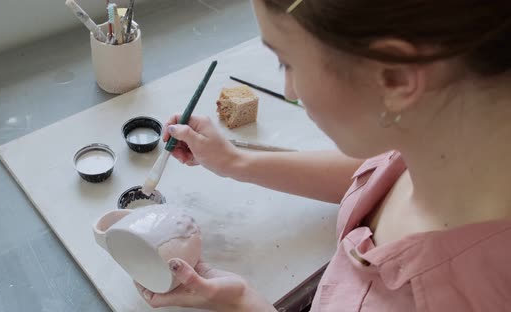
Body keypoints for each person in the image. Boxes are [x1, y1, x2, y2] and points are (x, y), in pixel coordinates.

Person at [135, 0, 511, 310]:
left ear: (395, 78)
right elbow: (374, 172)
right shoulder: (451, 137)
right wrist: (236, 162)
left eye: (288, 63)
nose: (289, 91)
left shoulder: (462, 293)